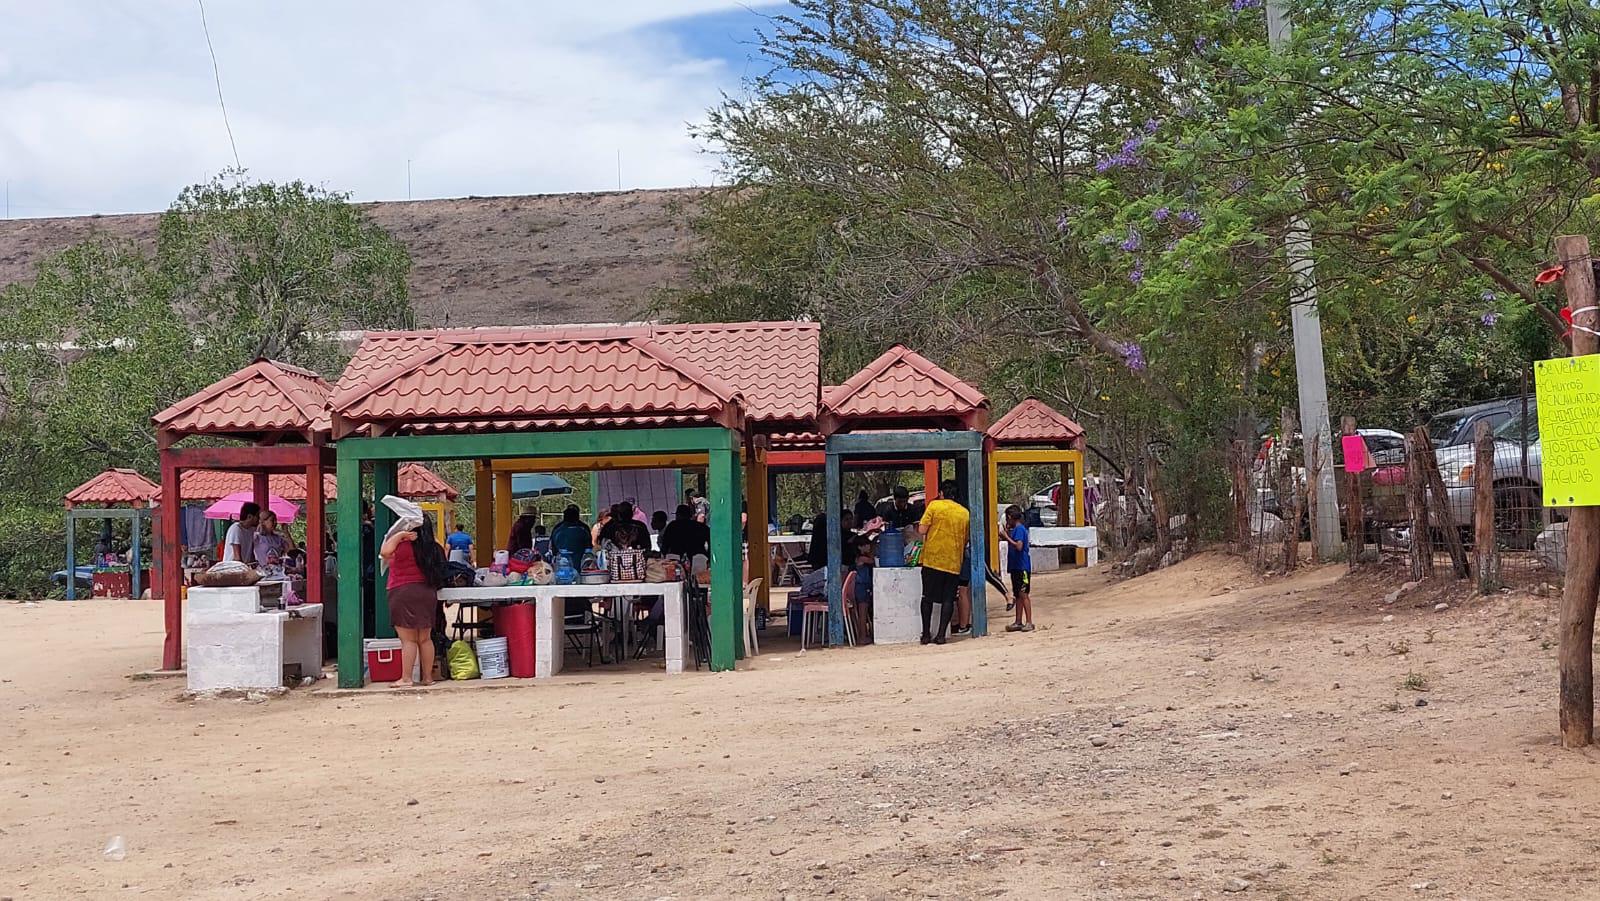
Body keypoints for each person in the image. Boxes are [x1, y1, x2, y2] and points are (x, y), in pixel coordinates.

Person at [379, 514, 448, 686]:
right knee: (425, 638)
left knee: (408, 639)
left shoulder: (402, 546)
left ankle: (406, 678)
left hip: (402, 592)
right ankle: (428, 678)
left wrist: (400, 535)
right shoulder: (434, 548)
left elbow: (385, 552)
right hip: (426, 593)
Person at [915, 481, 970, 645]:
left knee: (927, 597)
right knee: (948, 599)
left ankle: (925, 634)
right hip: (953, 562)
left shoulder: (934, 506)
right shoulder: (964, 513)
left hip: (932, 559)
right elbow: (966, 538)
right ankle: (940, 635)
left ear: (941, 493)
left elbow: (922, 530)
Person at [1002, 504, 1034, 632]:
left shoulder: (1020, 530)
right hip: (1016, 567)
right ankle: (1018, 621)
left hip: (1022, 567)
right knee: (1018, 594)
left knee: (1023, 594)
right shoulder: (1015, 529)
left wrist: (1006, 537)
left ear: (1010, 517)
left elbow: (1019, 546)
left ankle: (1029, 622)